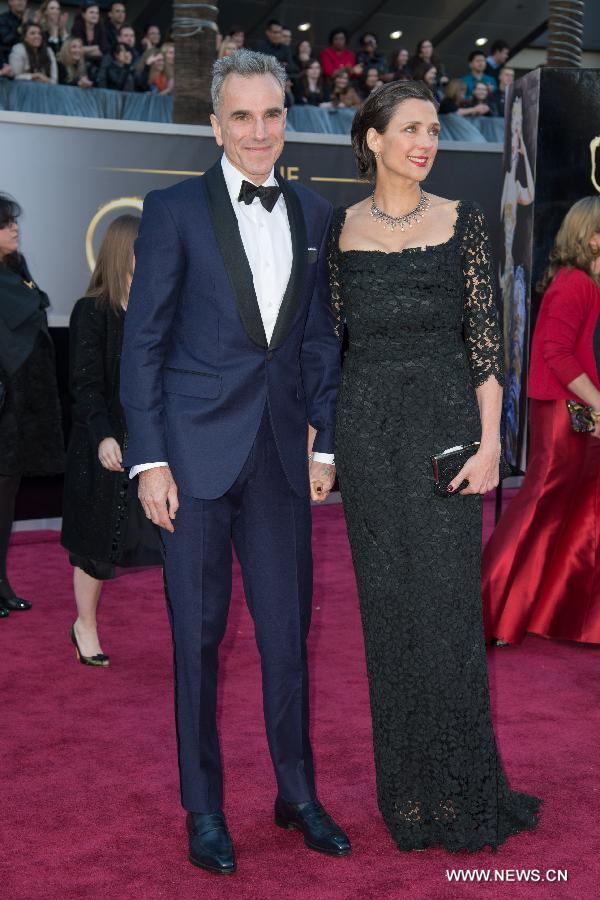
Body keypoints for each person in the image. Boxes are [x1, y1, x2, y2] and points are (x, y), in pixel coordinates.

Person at [120, 48, 349, 875]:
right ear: (215, 124)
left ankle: (296, 793)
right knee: (200, 639)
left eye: (273, 114)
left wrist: (327, 440)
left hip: (285, 462)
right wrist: (148, 460)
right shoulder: (174, 209)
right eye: (242, 116)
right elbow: (142, 344)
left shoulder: (317, 214)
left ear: (288, 118)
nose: (260, 131)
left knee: (288, 638)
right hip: (192, 460)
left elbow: (321, 342)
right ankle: (204, 808)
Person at [328, 79, 540, 851]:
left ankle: (467, 789)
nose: (425, 142)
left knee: (449, 617)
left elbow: (488, 347)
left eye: (433, 130)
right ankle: (410, 800)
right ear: (373, 139)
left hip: (450, 436)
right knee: (388, 622)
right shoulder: (338, 230)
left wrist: (492, 447)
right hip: (369, 437)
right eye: (410, 129)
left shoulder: (465, 223)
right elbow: (331, 347)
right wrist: (326, 446)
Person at [483, 197, 600, 647]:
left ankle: (557, 615)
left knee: (577, 516)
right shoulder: (574, 285)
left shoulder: (582, 283)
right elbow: (556, 354)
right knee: (539, 512)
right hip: (563, 414)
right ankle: (489, 610)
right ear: (591, 238)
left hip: (576, 412)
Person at [61, 215, 161, 665]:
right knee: (95, 544)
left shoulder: (157, 307)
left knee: (162, 540)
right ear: (125, 249)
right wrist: (102, 435)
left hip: (151, 441)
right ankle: (85, 624)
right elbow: (84, 385)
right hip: (102, 443)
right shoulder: (93, 310)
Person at [0, 194, 64, 617]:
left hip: (20, 411)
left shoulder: (15, 271)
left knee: (7, 497)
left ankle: (1, 582)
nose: (15, 229)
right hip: (5, 404)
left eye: (14, 223)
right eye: (5, 224)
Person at [71, 2, 108, 71]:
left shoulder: (101, 27)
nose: (95, 15)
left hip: (97, 64)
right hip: (79, 63)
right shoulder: (77, 27)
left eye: (97, 13)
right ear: (84, 14)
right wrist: (95, 47)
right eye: (91, 12)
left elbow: (103, 50)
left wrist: (85, 51)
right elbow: (77, 50)